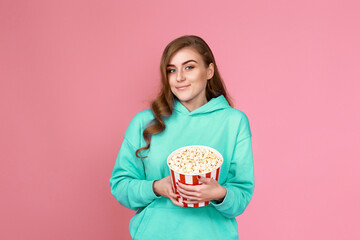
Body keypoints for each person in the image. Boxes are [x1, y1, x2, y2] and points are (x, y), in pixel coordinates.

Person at [109, 35, 254, 240]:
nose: (179, 78)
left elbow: (241, 195)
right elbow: (120, 185)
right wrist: (157, 187)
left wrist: (220, 194)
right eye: (171, 70)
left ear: (209, 71)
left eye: (189, 67)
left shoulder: (233, 122)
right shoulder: (144, 122)